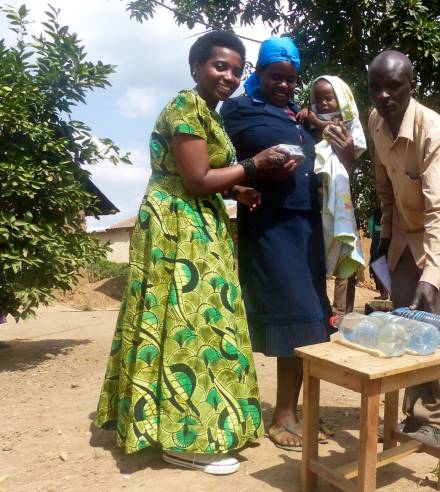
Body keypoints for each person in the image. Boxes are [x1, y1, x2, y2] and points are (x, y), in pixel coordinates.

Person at [94, 31, 292, 475]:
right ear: (196, 66)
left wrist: (237, 188)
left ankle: (162, 425)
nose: (230, 75)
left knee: (182, 321)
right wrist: (256, 165)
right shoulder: (185, 105)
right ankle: (184, 440)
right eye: (220, 66)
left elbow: (204, 180)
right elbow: (197, 179)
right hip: (176, 227)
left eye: (237, 69)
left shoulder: (208, 114)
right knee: (193, 322)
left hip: (195, 220)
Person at [220, 37, 334, 451]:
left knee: (310, 319)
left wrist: (313, 124)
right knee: (292, 318)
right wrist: (244, 183)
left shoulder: (296, 116)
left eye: (291, 79)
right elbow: (215, 164)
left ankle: (292, 410)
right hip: (270, 227)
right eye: (275, 77)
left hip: (306, 227)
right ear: (259, 74)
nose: (284, 85)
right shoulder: (237, 110)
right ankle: (281, 415)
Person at [367, 50, 440, 447]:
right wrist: (382, 243)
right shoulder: (375, 122)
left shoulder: (432, 129)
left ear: (410, 86)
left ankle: (438, 420)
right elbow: (384, 188)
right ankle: (417, 415)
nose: (384, 96)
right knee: (409, 328)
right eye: (376, 87)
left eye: (394, 87)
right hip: (404, 231)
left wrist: (432, 276)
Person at [298, 76, 367, 318]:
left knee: (343, 251)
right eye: (318, 100)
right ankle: (326, 308)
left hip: (338, 198)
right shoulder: (307, 121)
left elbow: (331, 132)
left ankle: (341, 311)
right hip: (317, 197)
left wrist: (313, 118)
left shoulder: (343, 121)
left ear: (341, 98)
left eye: (329, 98)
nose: (324, 104)